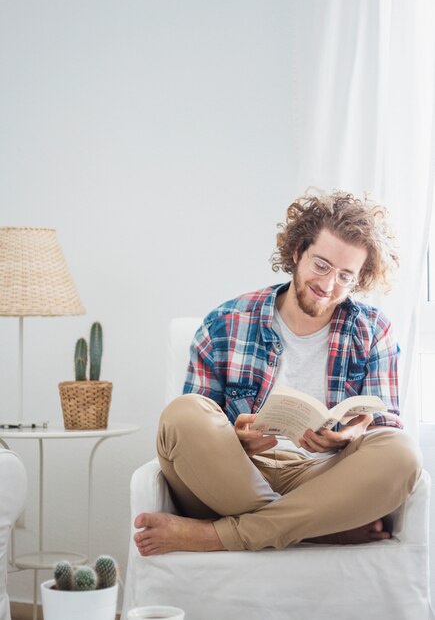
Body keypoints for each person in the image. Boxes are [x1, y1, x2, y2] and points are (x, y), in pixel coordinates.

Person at [134, 189, 421, 556]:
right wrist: (235, 437)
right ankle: (316, 529)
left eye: (345, 276)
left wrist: (354, 431)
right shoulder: (225, 322)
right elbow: (194, 430)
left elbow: (386, 422)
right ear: (299, 251)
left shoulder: (373, 329)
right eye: (321, 265)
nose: (328, 285)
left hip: (324, 477)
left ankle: (220, 535)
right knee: (183, 414)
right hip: (238, 475)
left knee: (402, 453)